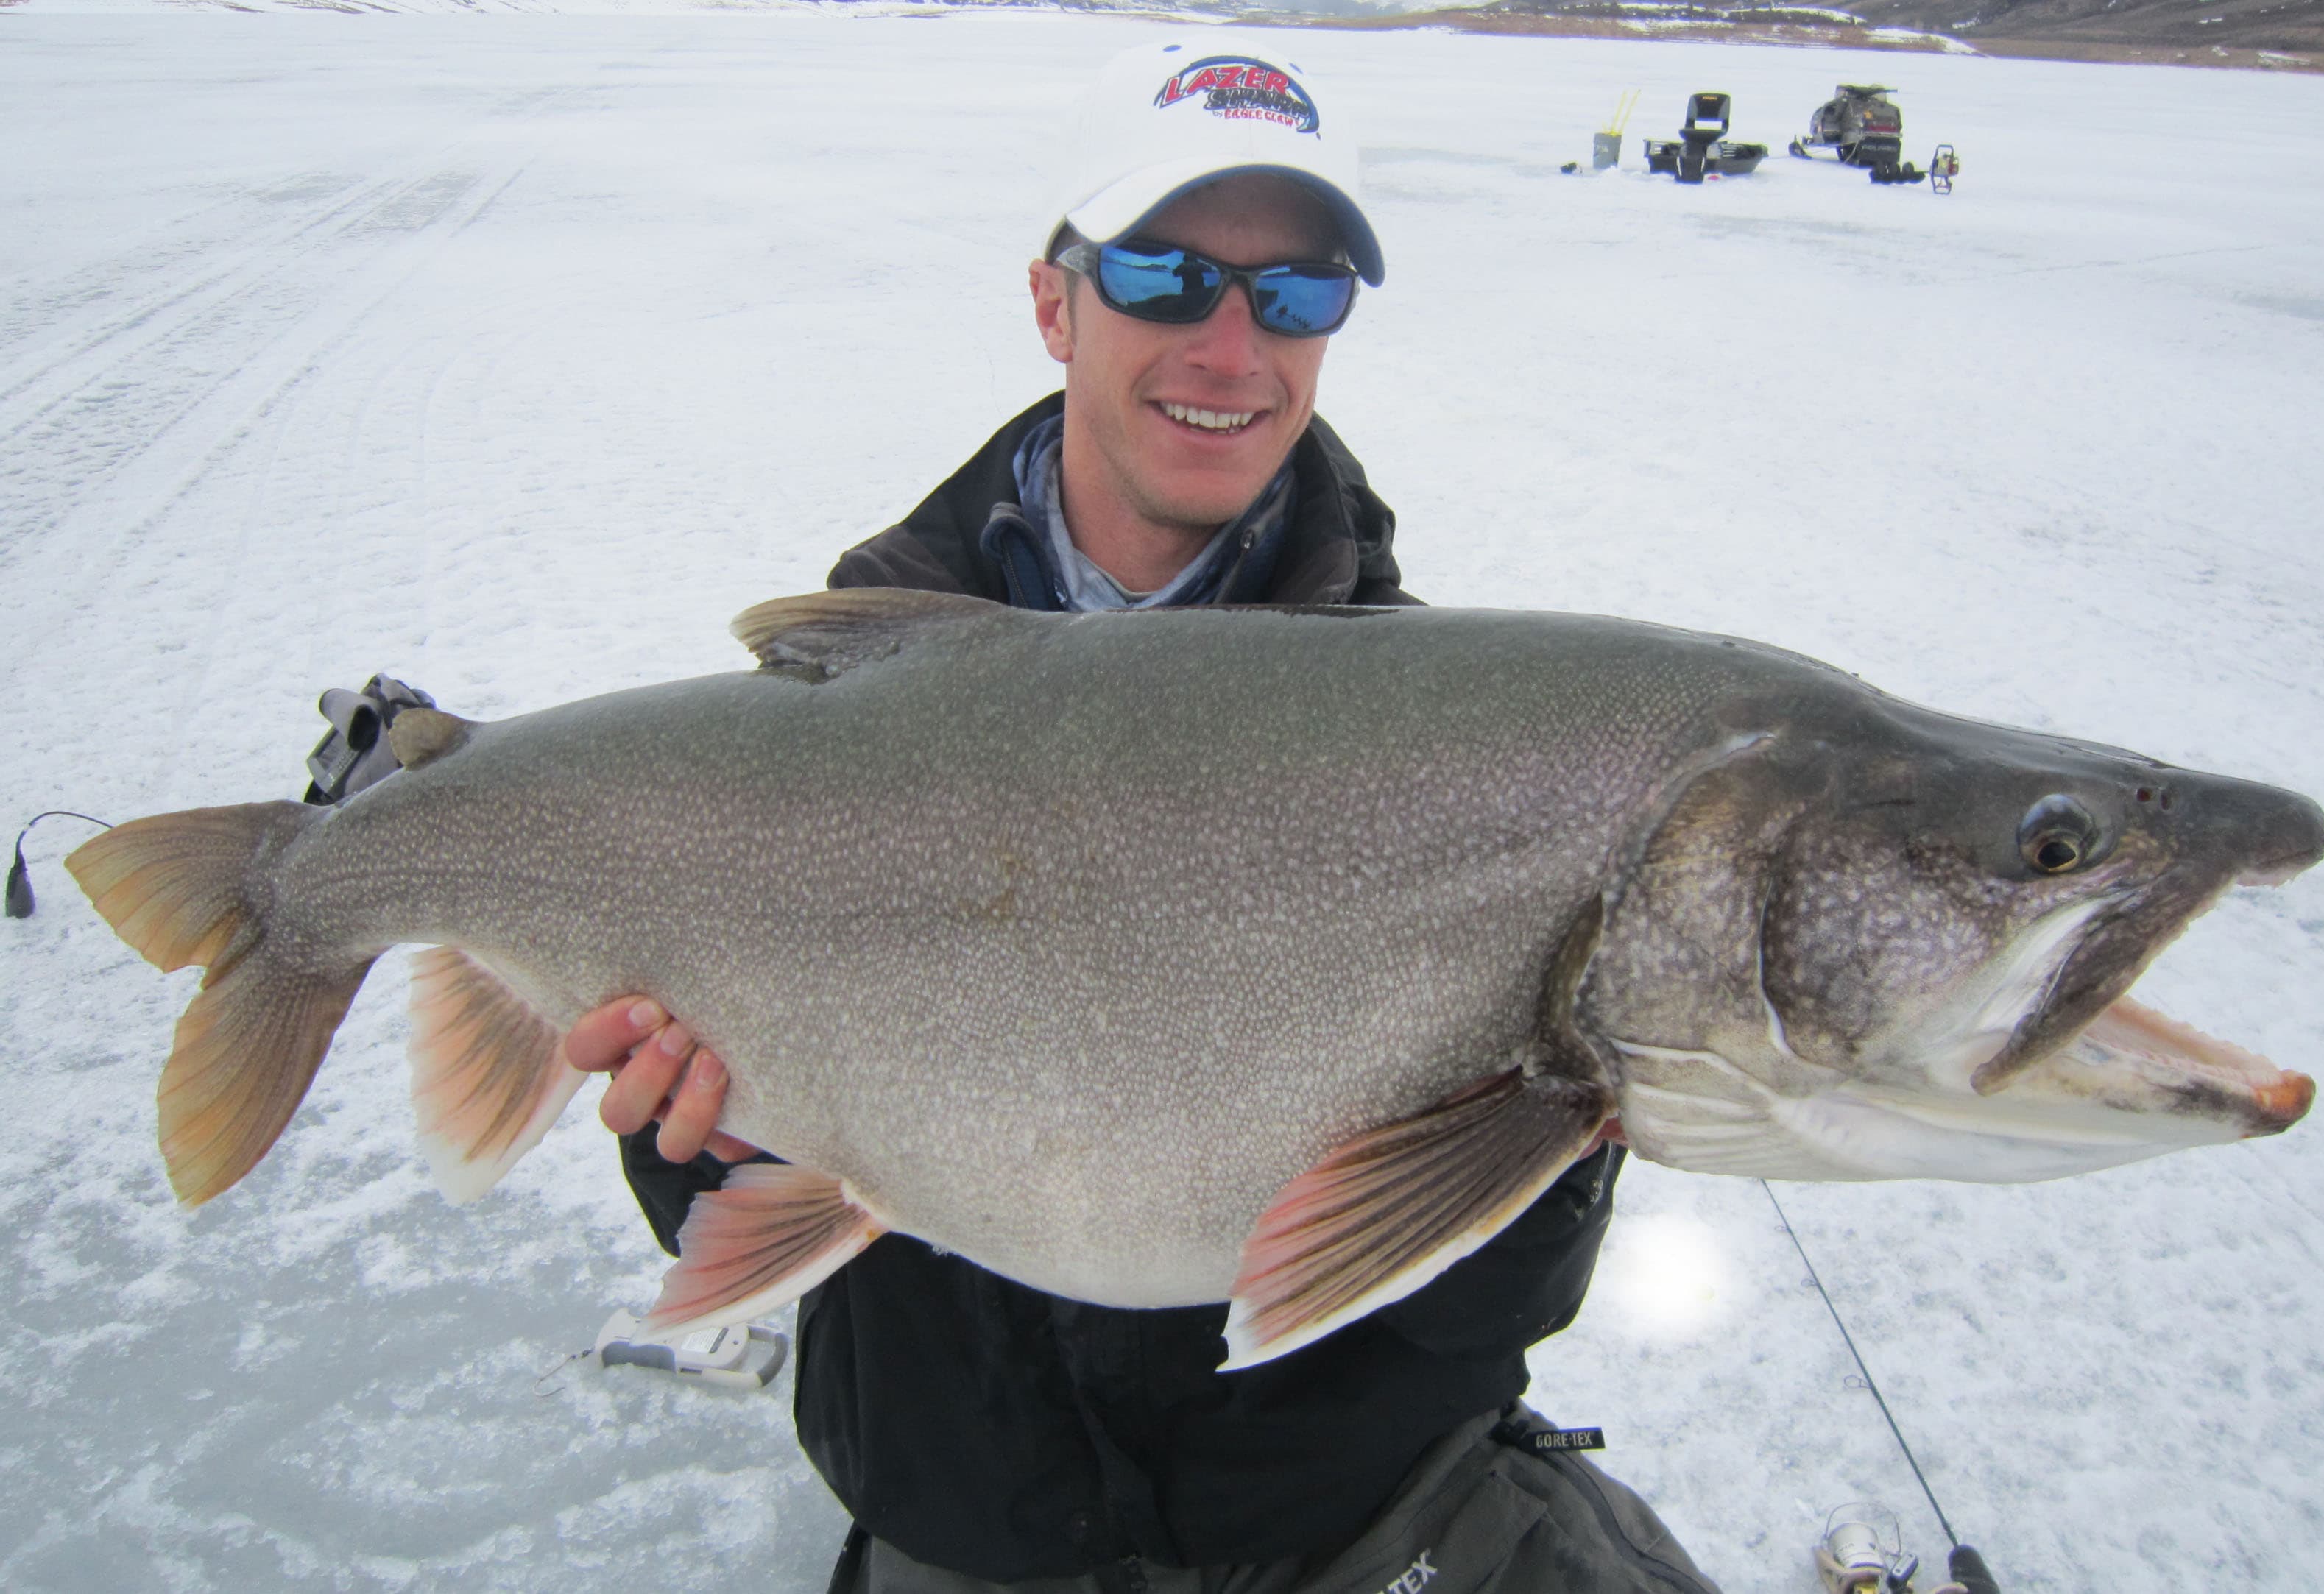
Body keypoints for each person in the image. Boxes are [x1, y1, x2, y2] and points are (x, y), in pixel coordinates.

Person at [317, 35, 1720, 1594]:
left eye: (1297, 294)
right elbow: (738, 1188)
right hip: (965, 1521)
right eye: (1166, 277)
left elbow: (1473, 1317)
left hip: (1345, 1518)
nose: (1232, 347)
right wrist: (694, 1144)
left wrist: (1563, 1117)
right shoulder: (829, 722)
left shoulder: (1451, 753)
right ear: (1056, 303)